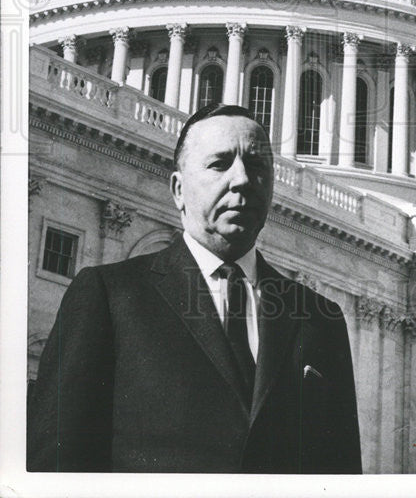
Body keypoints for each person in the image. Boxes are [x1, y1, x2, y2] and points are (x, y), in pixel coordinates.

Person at [27, 104, 362, 473]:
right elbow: (56, 465)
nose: (242, 180)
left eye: (257, 166)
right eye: (219, 164)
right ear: (178, 188)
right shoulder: (108, 295)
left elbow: (341, 473)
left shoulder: (320, 317)